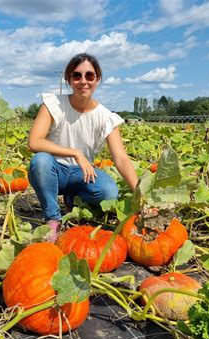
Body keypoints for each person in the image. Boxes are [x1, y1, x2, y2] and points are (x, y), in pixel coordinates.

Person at [27, 53, 138, 242]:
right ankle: (53, 219)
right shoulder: (53, 105)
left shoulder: (105, 116)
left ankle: (73, 199)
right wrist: (75, 153)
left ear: (98, 79)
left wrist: (140, 194)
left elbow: (121, 158)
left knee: (109, 191)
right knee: (40, 161)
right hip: (55, 171)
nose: (83, 81)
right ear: (68, 79)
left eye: (89, 76)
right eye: (77, 75)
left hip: (83, 174)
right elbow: (34, 142)